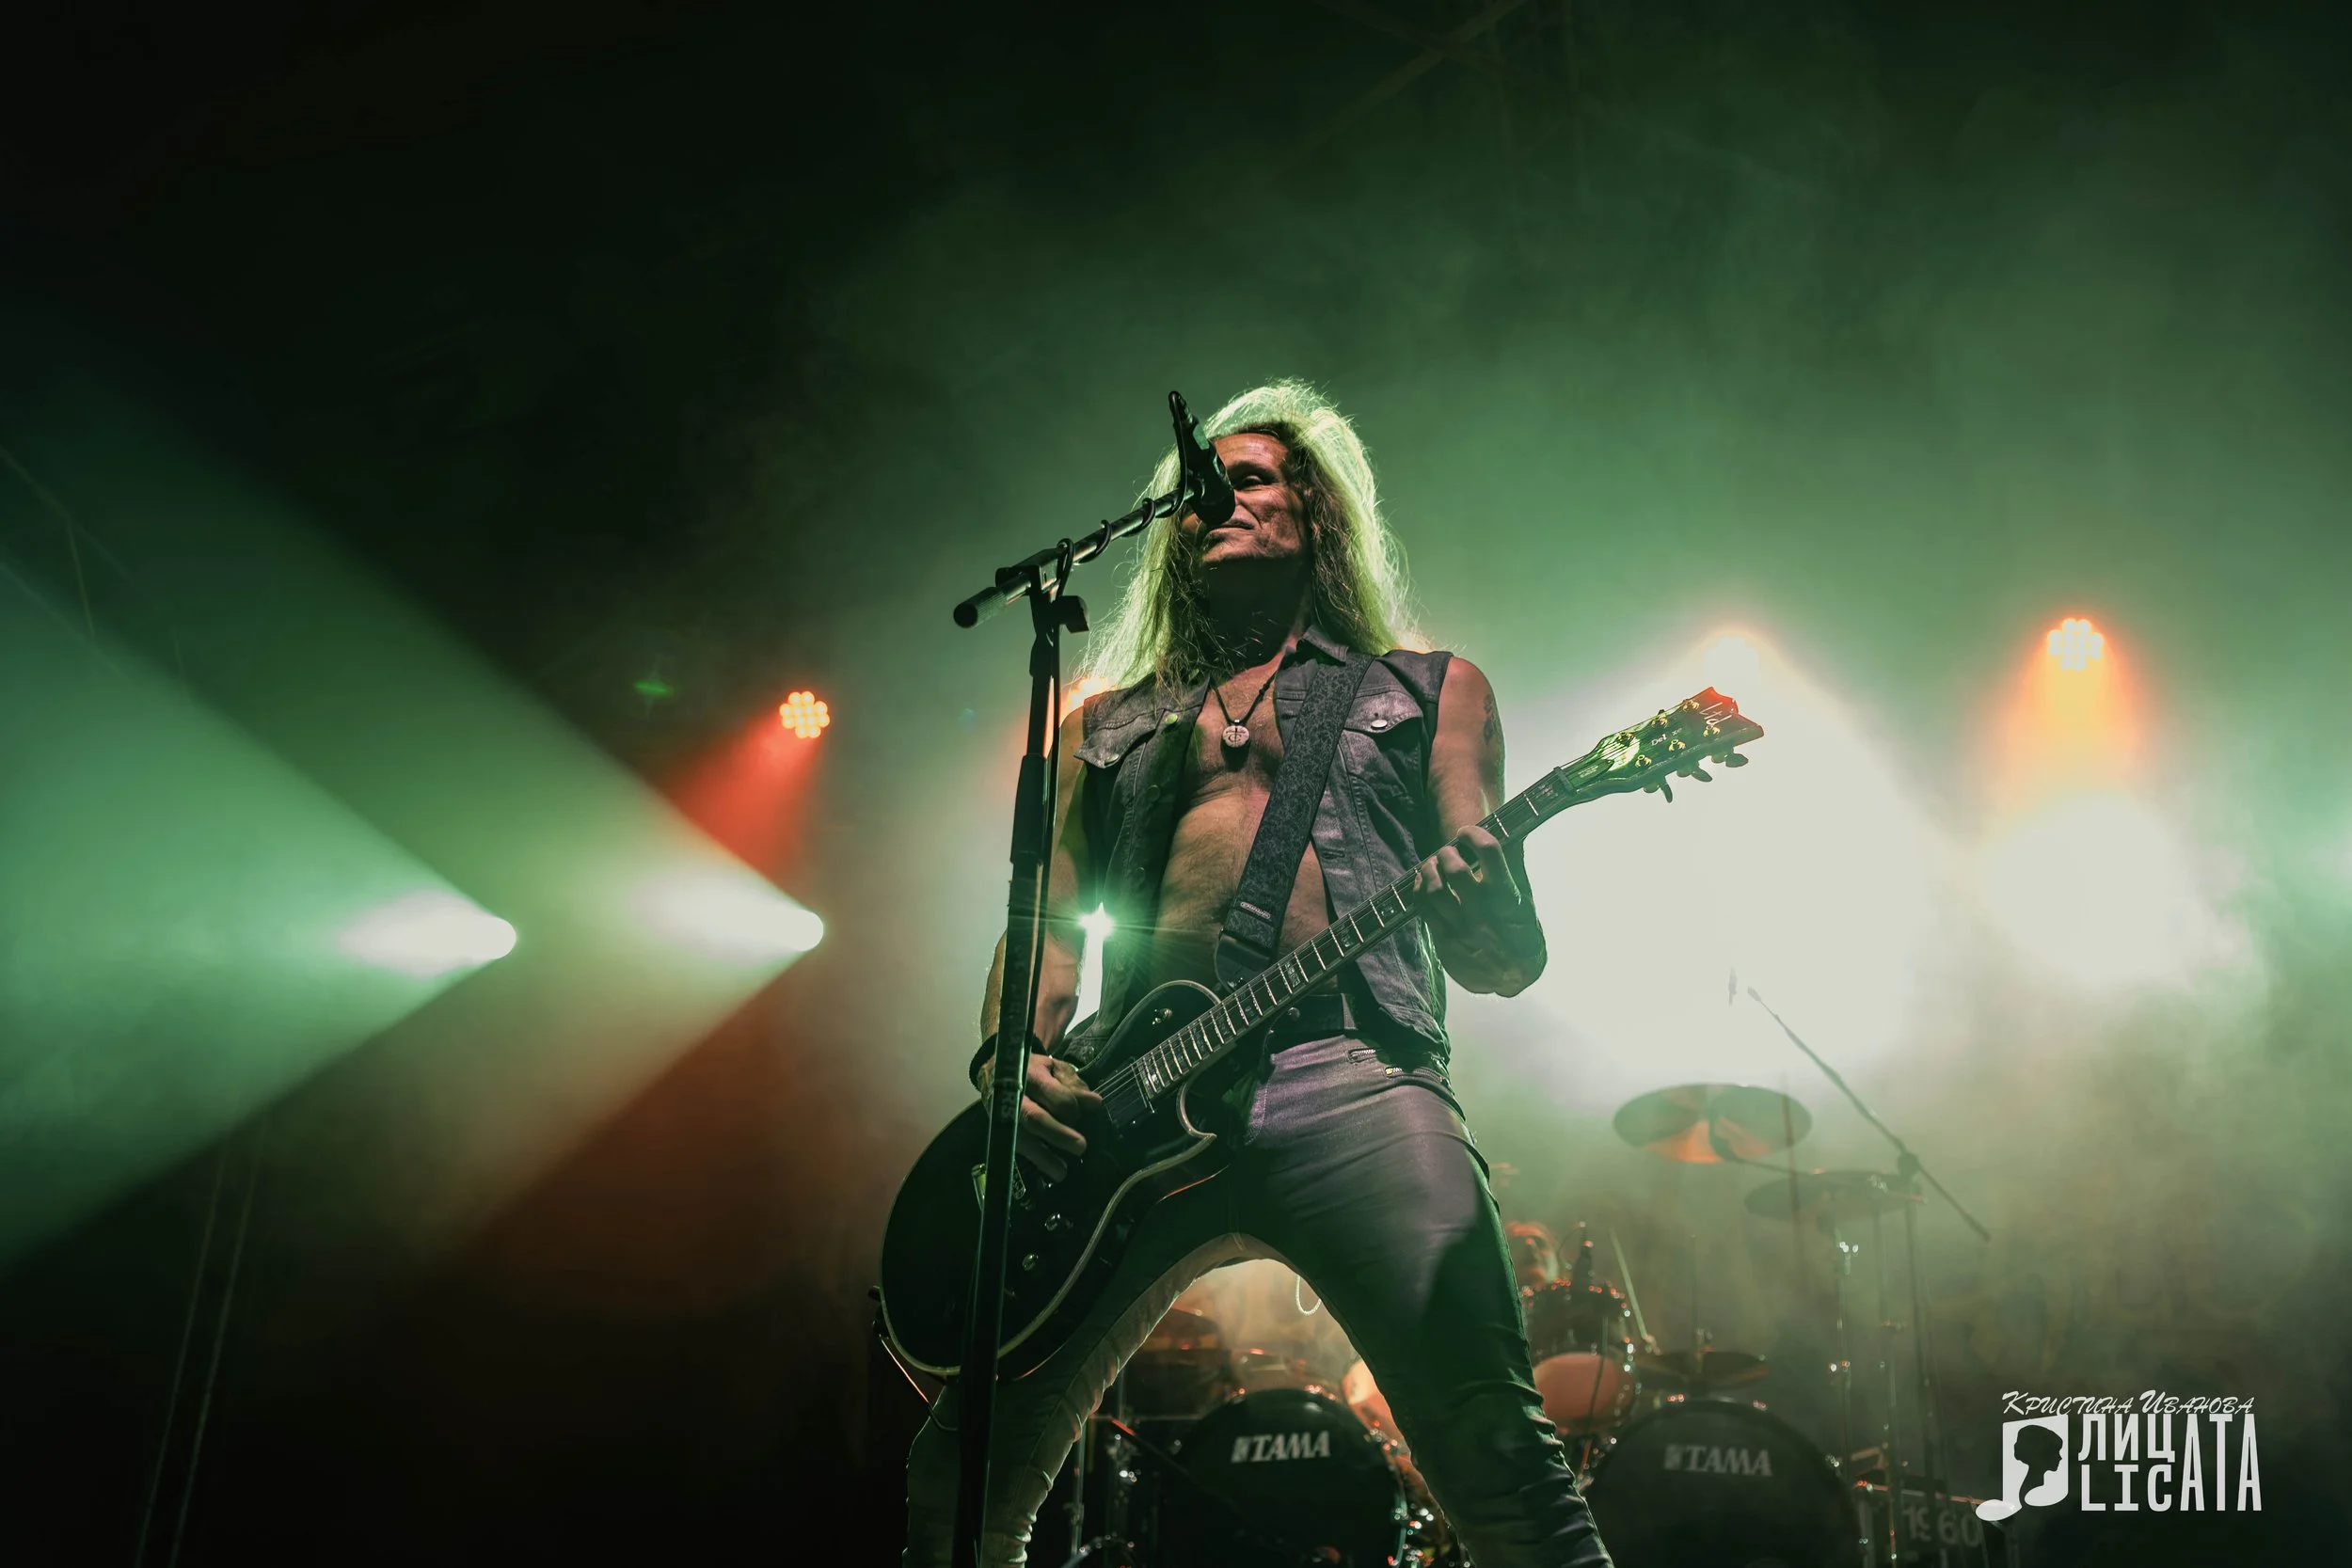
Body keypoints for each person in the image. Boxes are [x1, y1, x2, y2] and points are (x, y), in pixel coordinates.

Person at [903, 382, 1614, 1567]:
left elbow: (1502, 963)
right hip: (1126, 1109)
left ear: (1318, 516)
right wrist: (1012, 1063)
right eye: (1198, 485)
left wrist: (1486, 885)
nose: (1216, 498)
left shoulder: (1426, 688)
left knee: (1497, 1452)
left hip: (1350, 1072)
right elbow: (1046, 932)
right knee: (957, 1478)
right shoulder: (1103, 722)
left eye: (1253, 477)